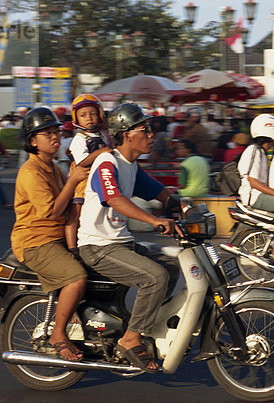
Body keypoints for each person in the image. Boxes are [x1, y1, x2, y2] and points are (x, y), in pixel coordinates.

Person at [77, 103, 181, 373]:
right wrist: (155, 220)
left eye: (151, 129)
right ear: (125, 134)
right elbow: (113, 197)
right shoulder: (107, 162)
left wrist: (187, 208)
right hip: (97, 246)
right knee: (155, 277)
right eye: (145, 129)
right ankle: (131, 338)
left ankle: (143, 325)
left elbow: (160, 192)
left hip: (120, 243)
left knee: (170, 267)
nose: (151, 134)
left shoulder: (131, 167)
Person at [10, 107, 89, 361]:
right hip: (35, 242)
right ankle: (57, 334)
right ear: (33, 141)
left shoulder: (52, 167)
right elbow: (52, 212)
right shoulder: (30, 172)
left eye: (56, 132)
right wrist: (72, 180)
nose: (55, 138)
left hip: (57, 238)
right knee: (76, 277)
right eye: (47, 134)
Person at [238, 114, 274, 263]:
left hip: (259, 194)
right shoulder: (253, 151)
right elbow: (253, 182)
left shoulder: (261, 152)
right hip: (253, 196)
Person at [65, 94, 112, 251]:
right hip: (83, 179)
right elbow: (82, 161)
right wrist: (102, 152)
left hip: (98, 178)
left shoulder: (101, 136)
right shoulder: (80, 138)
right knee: (75, 213)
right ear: (76, 119)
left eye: (93, 114)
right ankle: (72, 247)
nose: (89, 118)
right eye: (83, 115)